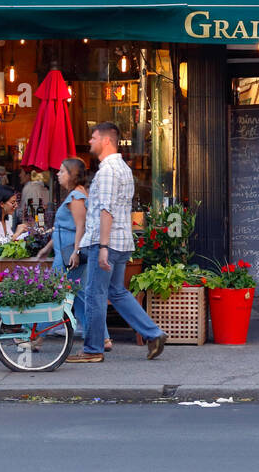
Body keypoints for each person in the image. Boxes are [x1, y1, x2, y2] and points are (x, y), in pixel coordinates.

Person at [68, 122, 166, 363]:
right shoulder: (122, 168)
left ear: (106, 141)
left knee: (94, 294)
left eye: (93, 138)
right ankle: (153, 333)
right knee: (116, 291)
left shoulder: (109, 171)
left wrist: (102, 247)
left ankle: (92, 350)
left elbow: (106, 210)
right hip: (120, 242)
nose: (90, 142)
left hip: (107, 243)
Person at [36, 158, 101, 346]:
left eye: (62, 171)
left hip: (67, 256)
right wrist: (47, 248)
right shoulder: (75, 195)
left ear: (72, 175)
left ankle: (38, 335)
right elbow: (63, 228)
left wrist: (76, 251)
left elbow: (81, 226)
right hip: (65, 252)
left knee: (53, 292)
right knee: (80, 298)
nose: (58, 174)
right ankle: (101, 337)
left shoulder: (77, 196)